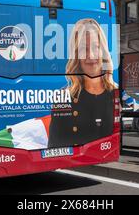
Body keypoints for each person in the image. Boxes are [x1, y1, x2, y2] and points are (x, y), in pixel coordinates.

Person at [48, 19, 118, 148]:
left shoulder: (116, 93)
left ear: (103, 51)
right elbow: (55, 146)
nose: (90, 56)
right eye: (83, 49)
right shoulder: (64, 97)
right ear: (76, 55)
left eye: (95, 48)